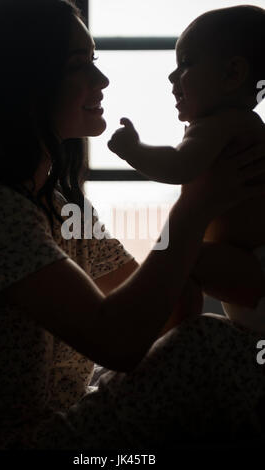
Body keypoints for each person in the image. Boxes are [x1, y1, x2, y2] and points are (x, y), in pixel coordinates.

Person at [0, 0, 265, 450]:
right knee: (208, 346)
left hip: (64, 414)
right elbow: (118, 340)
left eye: (96, 61)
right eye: (79, 65)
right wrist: (195, 209)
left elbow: (149, 313)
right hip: (19, 443)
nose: (102, 80)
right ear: (25, 81)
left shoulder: (66, 207)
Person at [108, 6, 265, 333]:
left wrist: (132, 151)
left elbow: (178, 166)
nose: (171, 77)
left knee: (181, 259)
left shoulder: (221, 123)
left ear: (232, 74)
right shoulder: (244, 126)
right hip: (249, 269)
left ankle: (170, 342)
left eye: (186, 63)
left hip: (253, 268)